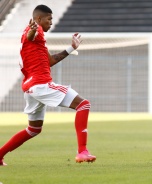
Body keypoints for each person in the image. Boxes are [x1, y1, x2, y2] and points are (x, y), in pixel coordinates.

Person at [0, 5, 96, 166]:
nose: (51, 22)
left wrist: (71, 48)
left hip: (31, 88)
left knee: (34, 129)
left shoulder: (39, 41)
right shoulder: (34, 30)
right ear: (38, 19)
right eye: (49, 19)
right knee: (83, 105)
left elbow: (50, 61)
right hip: (41, 85)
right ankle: (82, 151)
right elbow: (31, 34)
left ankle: (0, 154)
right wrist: (33, 29)